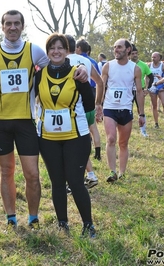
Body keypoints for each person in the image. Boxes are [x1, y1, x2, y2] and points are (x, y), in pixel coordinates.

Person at [0, 10, 88, 231]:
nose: (13, 27)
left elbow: (59, 66)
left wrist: (80, 67)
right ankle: (11, 217)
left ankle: (33, 217)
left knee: (32, 174)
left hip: (26, 120)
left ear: (22, 26)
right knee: (6, 171)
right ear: (3, 26)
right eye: (9, 23)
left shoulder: (34, 50)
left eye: (17, 23)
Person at [35, 33, 99, 237]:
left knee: (75, 180)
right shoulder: (39, 75)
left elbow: (89, 104)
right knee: (57, 181)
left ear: (67, 51)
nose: (56, 51)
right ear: (47, 52)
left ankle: (88, 225)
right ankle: (62, 223)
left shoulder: (77, 74)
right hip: (48, 139)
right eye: (52, 48)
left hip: (76, 137)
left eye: (60, 47)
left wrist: (85, 76)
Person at [101, 38, 145, 181]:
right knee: (111, 139)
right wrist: (98, 105)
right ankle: (112, 172)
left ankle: (121, 172)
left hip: (126, 108)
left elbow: (139, 92)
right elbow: (101, 86)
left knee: (123, 143)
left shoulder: (135, 69)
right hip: (109, 108)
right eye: (114, 47)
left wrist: (141, 114)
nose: (116, 50)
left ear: (128, 50)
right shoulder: (108, 66)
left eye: (119, 47)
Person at [65, 34, 103, 189]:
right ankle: (91, 174)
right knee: (85, 138)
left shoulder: (64, 61)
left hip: (72, 108)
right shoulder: (86, 61)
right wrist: (98, 103)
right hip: (88, 106)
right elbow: (100, 82)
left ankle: (73, 181)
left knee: (69, 145)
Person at [75, 38, 103, 161]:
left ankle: (84, 153)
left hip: (80, 92)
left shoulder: (72, 60)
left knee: (81, 126)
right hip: (92, 93)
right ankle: (98, 153)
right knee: (92, 126)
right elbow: (99, 81)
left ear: (79, 48)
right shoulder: (91, 61)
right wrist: (98, 102)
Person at [130, 44, 154, 137]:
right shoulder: (127, 64)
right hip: (129, 90)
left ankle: (143, 131)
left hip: (140, 90)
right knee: (128, 109)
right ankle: (128, 128)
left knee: (141, 110)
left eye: (136, 53)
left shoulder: (143, 65)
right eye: (133, 53)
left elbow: (151, 77)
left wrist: (148, 89)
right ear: (129, 54)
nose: (135, 55)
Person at [148, 52, 164, 128]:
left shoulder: (163, 65)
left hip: (160, 86)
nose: (153, 59)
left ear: (159, 58)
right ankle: (156, 123)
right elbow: (147, 77)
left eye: (155, 57)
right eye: (152, 57)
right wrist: (148, 87)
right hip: (152, 87)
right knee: (154, 106)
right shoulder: (149, 65)